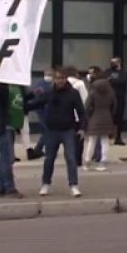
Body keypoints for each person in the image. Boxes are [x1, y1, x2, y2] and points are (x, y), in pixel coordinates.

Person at [32, 68, 87, 197]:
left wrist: (82, 128)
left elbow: (81, 111)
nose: (60, 81)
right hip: (52, 130)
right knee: (49, 159)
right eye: (58, 79)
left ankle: (73, 185)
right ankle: (45, 184)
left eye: (62, 78)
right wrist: (25, 104)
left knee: (71, 158)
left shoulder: (73, 93)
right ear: (55, 80)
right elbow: (37, 103)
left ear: (65, 79)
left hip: (68, 130)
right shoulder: (49, 92)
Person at [83, 67, 116, 172]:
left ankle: (87, 162)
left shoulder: (93, 90)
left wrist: (87, 116)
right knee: (104, 140)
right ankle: (103, 161)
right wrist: (111, 115)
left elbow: (87, 106)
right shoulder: (110, 90)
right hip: (107, 116)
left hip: (95, 116)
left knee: (92, 141)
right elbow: (115, 105)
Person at [27, 68, 54, 160]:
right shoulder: (44, 85)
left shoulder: (43, 84)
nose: (49, 76)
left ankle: (40, 149)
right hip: (43, 110)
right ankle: (39, 149)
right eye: (48, 74)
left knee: (45, 131)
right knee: (47, 131)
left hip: (44, 111)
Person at [106, 57, 127, 145]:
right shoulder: (108, 71)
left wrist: (111, 80)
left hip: (119, 98)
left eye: (114, 62)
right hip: (108, 98)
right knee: (109, 117)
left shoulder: (123, 72)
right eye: (111, 62)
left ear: (119, 63)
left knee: (119, 118)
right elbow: (105, 80)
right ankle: (108, 135)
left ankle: (118, 137)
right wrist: (112, 81)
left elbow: (122, 81)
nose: (112, 64)